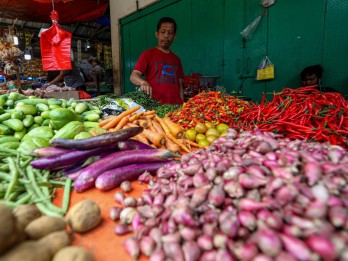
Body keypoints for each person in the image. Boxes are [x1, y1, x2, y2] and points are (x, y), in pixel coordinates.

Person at [130, 17, 184, 104]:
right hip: (155, 106)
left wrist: (182, 104)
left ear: (174, 37)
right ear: (157, 34)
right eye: (163, 32)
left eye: (170, 33)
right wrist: (143, 82)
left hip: (176, 107)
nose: (166, 36)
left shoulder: (177, 59)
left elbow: (180, 85)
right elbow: (133, 76)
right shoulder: (147, 54)